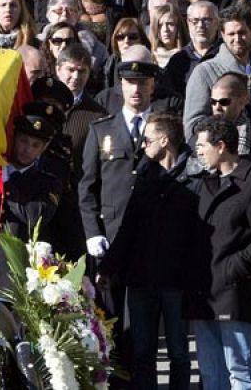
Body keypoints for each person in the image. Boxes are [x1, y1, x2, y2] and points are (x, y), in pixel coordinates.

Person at [186, 115, 251, 390]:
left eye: (203, 145)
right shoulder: (203, 182)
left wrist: (232, 268)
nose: (198, 151)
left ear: (221, 146)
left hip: (234, 292)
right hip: (203, 292)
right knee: (210, 372)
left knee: (239, 369)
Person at [110, 112, 196, 390]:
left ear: (165, 140)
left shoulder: (193, 177)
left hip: (176, 280)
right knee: (142, 351)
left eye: (147, 140)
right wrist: (108, 266)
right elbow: (128, 227)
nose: (142, 145)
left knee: (179, 352)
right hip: (142, 278)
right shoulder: (144, 176)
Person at [80, 59, 165, 324]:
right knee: (110, 316)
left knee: (145, 323)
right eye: (130, 82)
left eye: (142, 82)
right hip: (111, 234)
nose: (136, 89)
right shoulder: (101, 129)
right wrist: (93, 232)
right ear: (120, 86)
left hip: (151, 235)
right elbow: (87, 186)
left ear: (153, 86)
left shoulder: (165, 128)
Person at [184, 2, 251, 136]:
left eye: (242, 32)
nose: (237, 39)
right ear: (223, 35)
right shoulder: (204, 72)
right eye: (231, 34)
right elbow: (193, 125)